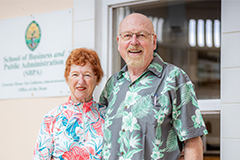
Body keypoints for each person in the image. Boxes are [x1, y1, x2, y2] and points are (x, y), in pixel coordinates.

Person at [99, 13, 208, 160]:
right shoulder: (113, 84)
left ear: (153, 41)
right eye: (127, 36)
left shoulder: (174, 78)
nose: (134, 42)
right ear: (119, 42)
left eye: (141, 35)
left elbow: (192, 141)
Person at [33, 48, 105, 160]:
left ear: (97, 79)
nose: (81, 81)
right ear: (67, 78)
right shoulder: (51, 118)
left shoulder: (108, 117)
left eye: (87, 75)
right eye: (75, 75)